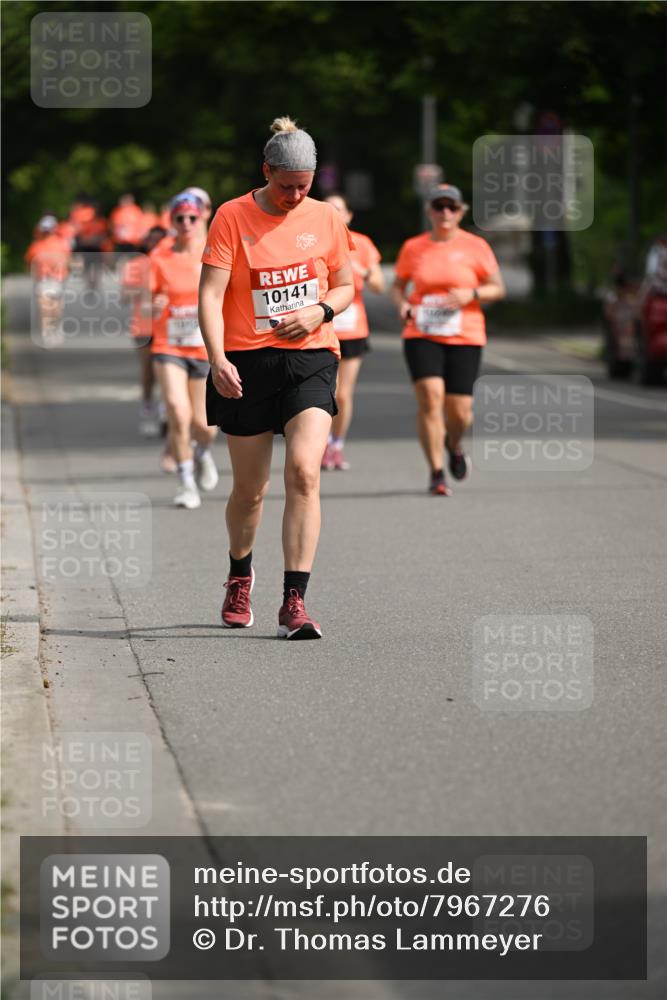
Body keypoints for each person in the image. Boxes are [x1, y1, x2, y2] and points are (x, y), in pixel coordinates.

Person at [199, 116, 354, 639]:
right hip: (246, 362)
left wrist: (322, 312)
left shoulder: (327, 218)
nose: (294, 196)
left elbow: (347, 284)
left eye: (304, 187)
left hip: (311, 357)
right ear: (266, 171)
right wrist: (217, 358)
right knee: (250, 490)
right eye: (286, 186)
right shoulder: (231, 217)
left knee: (305, 474)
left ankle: (295, 601)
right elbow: (209, 295)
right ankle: (239, 575)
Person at [392, 183, 505, 495]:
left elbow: (498, 287)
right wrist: (401, 303)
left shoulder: (476, 246)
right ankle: (436, 472)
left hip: (465, 333)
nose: (445, 212)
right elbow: (398, 285)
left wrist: (472, 293)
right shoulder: (414, 247)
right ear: (429, 211)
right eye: (438, 206)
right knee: (430, 399)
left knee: (460, 412)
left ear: (460, 212)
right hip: (422, 332)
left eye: (451, 207)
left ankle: (453, 444)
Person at [150, 193, 219, 508]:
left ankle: (202, 453)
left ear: (203, 217)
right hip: (169, 345)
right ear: (172, 222)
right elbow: (144, 301)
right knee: (178, 413)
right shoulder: (160, 257)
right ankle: (186, 483)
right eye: (180, 219)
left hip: (204, 348)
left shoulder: (215, 252)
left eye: (192, 217)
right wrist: (155, 304)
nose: (187, 224)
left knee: (205, 426)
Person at [322, 193, 384, 470]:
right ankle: (319, 444)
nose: (335, 215)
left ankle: (336, 444)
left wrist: (361, 269)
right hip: (321, 328)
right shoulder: (313, 242)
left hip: (352, 330)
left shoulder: (363, 244)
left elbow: (379, 287)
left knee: (343, 395)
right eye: (329, 210)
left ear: (348, 216)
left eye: (339, 210)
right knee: (323, 392)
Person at [120, 225, 168, 436]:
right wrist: (145, 288)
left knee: (168, 372)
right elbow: (123, 296)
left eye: (160, 240)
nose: (155, 244)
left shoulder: (172, 261)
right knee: (149, 371)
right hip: (144, 326)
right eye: (152, 241)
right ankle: (148, 407)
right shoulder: (137, 264)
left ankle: (166, 412)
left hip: (169, 326)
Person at [25, 215, 71, 344]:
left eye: (48, 229)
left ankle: (55, 328)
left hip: (57, 279)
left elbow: (68, 260)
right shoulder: (36, 245)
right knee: (44, 307)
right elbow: (29, 261)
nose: (46, 232)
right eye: (45, 229)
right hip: (43, 279)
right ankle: (47, 333)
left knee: (55, 307)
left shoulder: (61, 244)